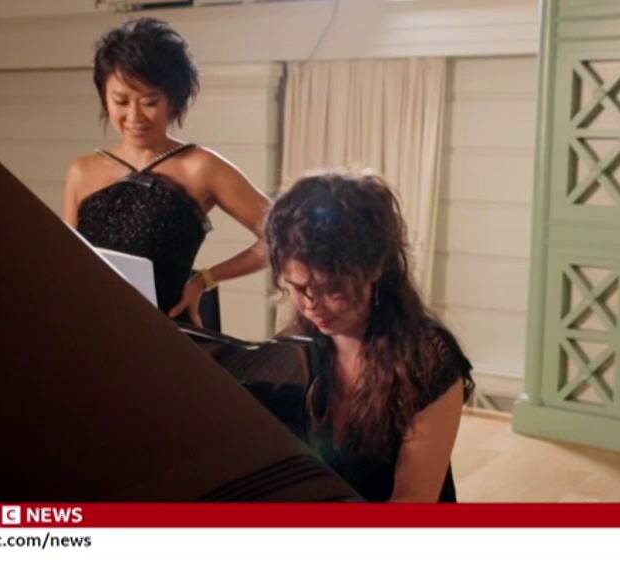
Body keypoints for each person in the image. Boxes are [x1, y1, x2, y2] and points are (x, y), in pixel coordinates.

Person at [264, 173, 474, 502]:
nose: (311, 304)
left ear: (376, 267)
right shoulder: (291, 352)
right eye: (297, 287)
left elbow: (412, 503)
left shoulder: (427, 361)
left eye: (332, 288)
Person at [63, 18, 269, 327]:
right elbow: (67, 266)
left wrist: (205, 280)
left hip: (166, 335)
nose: (134, 116)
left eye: (149, 102)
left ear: (174, 99)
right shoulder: (82, 172)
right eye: (120, 101)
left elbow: (284, 239)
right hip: (90, 331)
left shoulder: (200, 166)